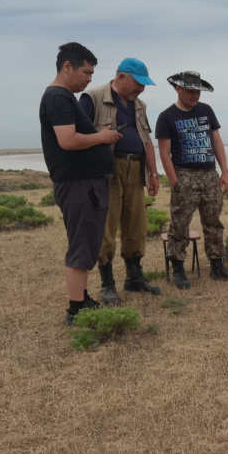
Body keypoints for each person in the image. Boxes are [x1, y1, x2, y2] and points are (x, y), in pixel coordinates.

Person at [38, 42, 122, 326]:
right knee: (81, 245)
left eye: (92, 73)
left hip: (84, 183)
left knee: (87, 243)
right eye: (86, 72)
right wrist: (101, 137)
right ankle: (76, 310)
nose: (89, 79)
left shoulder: (64, 97)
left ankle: (83, 299)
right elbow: (68, 141)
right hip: (78, 184)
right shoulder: (58, 97)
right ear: (67, 66)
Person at [79, 58, 161, 304]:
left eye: (144, 85)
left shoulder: (140, 105)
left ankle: (134, 277)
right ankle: (107, 283)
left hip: (136, 169)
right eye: (138, 83)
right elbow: (77, 135)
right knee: (106, 226)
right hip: (107, 171)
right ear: (122, 77)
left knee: (136, 224)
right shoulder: (92, 98)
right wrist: (101, 137)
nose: (141, 89)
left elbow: (147, 141)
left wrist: (154, 173)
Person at [155, 71, 228, 289]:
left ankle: (217, 265)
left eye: (198, 91)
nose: (195, 95)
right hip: (184, 175)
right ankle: (179, 270)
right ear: (178, 89)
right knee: (179, 224)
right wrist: (175, 180)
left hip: (210, 176)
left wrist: (225, 172)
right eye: (191, 91)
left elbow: (217, 141)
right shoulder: (167, 116)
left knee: (213, 222)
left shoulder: (206, 111)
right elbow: (164, 152)